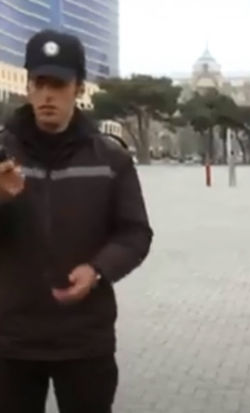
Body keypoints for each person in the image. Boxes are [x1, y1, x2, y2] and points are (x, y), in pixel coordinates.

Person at [0, 30, 152, 412]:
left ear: (79, 89)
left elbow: (135, 233)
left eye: (58, 84)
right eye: (39, 83)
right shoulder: (2, 155)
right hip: (10, 341)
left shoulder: (111, 159)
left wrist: (98, 270)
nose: (47, 95)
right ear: (27, 87)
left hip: (85, 341)